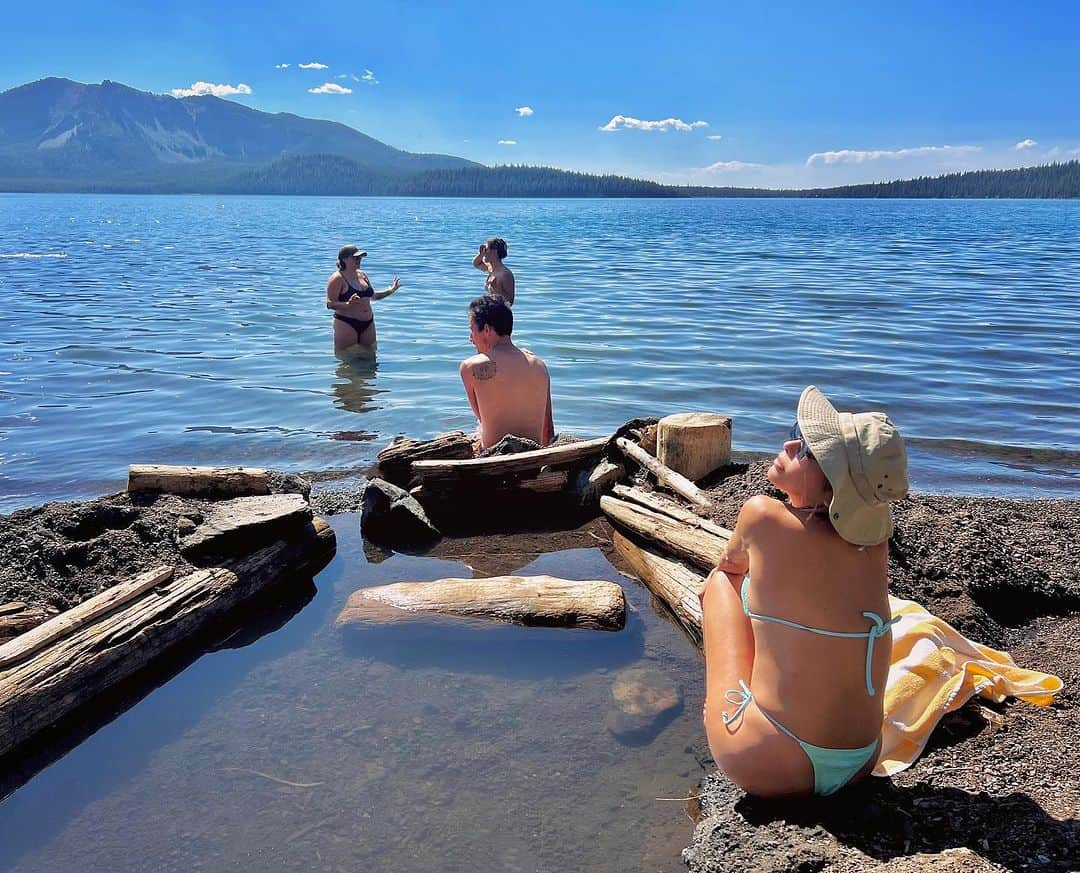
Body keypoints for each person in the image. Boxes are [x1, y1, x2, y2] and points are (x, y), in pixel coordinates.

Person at [700, 386, 909, 798]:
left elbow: (730, 566)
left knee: (720, 586)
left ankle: (719, 707)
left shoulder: (761, 515)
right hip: (861, 760)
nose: (790, 443)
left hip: (767, 761)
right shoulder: (875, 542)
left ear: (832, 487)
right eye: (798, 433)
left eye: (809, 449)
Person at [459, 296, 553, 449]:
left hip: (494, 458)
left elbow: (483, 420)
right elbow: (547, 430)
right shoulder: (539, 365)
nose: (471, 338)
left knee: (476, 432)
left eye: (472, 330)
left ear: (487, 330)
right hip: (532, 457)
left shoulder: (470, 367)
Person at [326, 244, 401, 356]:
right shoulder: (337, 278)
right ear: (344, 260)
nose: (359, 260)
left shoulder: (362, 275)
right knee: (348, 359)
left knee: (371, 357)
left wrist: (391, 290)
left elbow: (373, 296)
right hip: (346, 323)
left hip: (368, 323)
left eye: (360, 257)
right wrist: (347, 304)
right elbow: (330, 304)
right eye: (356, 257)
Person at [471, 237, 515, 306]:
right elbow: (475, 264)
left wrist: (497, 289)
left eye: (486, 249)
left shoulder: (505, 274)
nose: (484, 252)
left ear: (494, 252)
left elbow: (510, 302)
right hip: (490, 309)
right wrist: (481, 254)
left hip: (500, 312)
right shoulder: (490, 268)